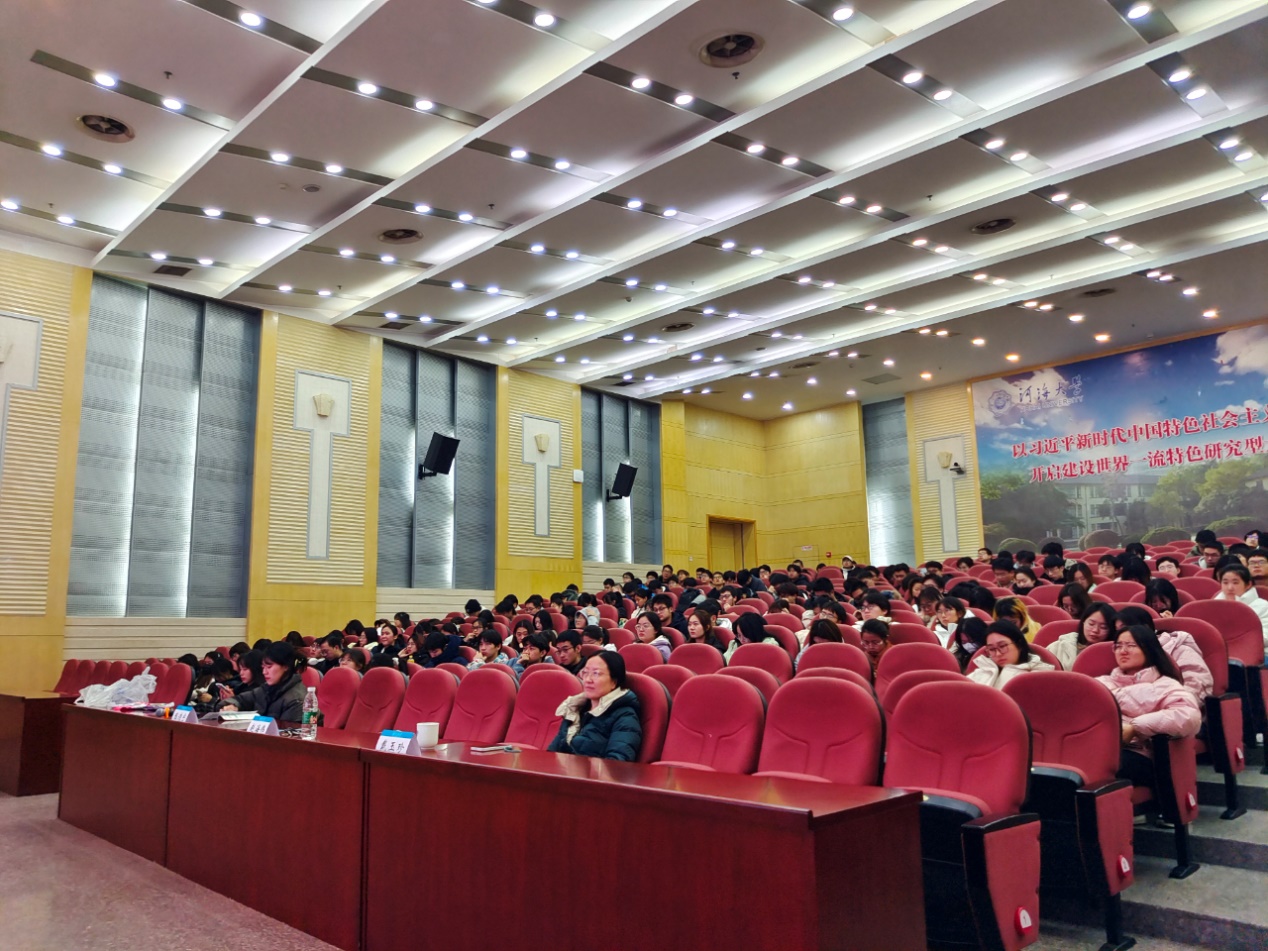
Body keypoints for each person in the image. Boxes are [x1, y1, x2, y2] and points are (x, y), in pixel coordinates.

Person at [1097, 625, 1202, 793]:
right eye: (1118, 646)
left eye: (1131, 645)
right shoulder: (1101, 683)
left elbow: (1188, 716)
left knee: (1099, 765)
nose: (1123, 651)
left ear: (1149, 649)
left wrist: (1135, 727)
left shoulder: (1166, 685)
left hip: (1139, 754)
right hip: (1099, 746)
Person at [547, 652, 641, 761]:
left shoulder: (625, 717)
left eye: (596, 673)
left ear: (614, 682)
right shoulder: (575, 709)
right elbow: (551, 754)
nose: (588, 679)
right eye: (585, 672)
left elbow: (617, 765)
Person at [1114, 606, 1212, 702]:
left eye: (1124, 628)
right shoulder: (1120, 652)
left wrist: (1175, 703)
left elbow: (1197, 685)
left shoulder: (1177, 648)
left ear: (1145, 627)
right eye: (1117, 630)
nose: (1120, 634)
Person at [218, 642, 308, 721]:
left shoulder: (297, 700)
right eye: (263, 667)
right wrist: (233, 706)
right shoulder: (266, 689)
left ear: (286, 666)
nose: (264, 672)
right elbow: (241, 699)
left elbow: (286, 732)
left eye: (269, 667)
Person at [968, 620, 1053, 689]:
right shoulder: (982, 671)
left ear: (1019, 644)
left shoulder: (1037, 675)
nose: (998, 654)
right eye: (992, 649)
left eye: (1002, 646)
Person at [1212, 564, 1268, 646]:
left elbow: (1265, 637)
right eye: (1225, 583)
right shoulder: (1213, 605)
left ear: (1248, 584)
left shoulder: (1263, 606)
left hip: (1254, 649)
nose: (1230, 588)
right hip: (1220, 649)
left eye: (1235, 583)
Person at [1050, 603, 1116, 670]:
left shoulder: (1115, 654)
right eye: (1091, 624)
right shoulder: (1061, 645)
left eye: (1103, 627)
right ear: (1083, 622)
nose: (1095, 630)